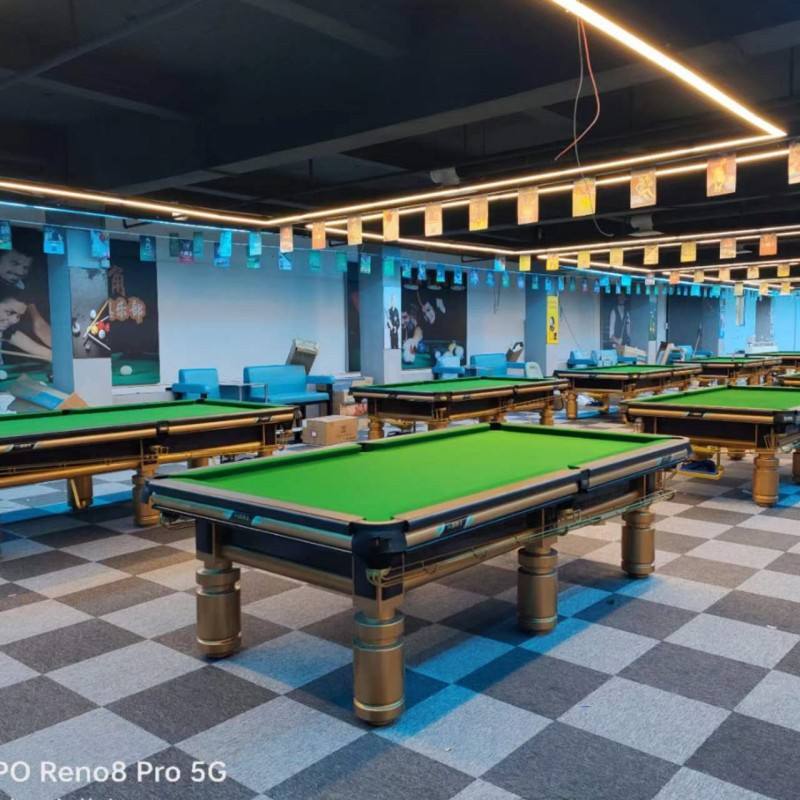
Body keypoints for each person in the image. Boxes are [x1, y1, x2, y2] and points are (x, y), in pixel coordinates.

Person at [0, 248, 51, 350]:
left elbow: (39, 324)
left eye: (25, 267)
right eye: (14, 263)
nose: (20, 272)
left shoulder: (21, 287)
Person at [0, 291, 52, 363]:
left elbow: (38, 350)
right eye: (9, 312)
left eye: (18, 316)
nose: (14, 320)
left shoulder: (7, 332)